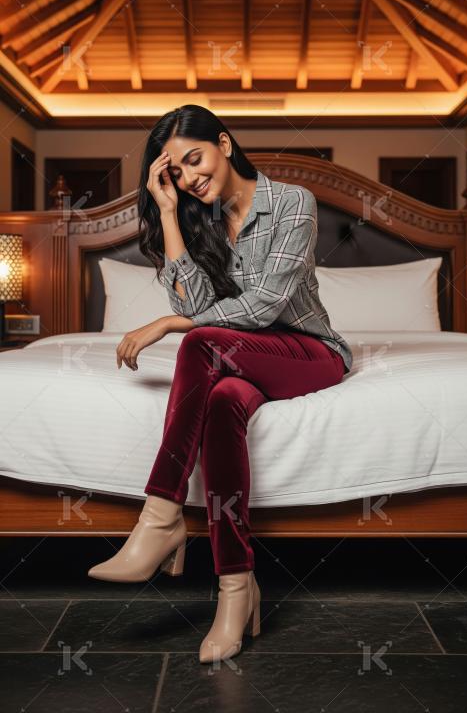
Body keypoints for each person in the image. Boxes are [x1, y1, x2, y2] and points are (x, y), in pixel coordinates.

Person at [87, 104, 353, 664]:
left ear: (225, 144)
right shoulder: (191, 215)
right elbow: (204, 306)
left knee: (196, 342)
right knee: (224, 397)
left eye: (194, 158)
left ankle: (160, 517)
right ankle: (236, 587)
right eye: (175, 173)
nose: (189, 177)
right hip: (237, 361)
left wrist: (166, 323)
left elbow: (262, 308)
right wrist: (167, 213)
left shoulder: (292, 203)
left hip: (307, 353)